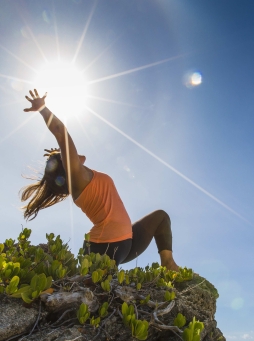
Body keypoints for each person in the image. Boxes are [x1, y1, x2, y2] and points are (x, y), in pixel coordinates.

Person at [21, 89, 179, 271]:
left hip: (127, 240)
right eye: (64, 156)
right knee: (103, 293)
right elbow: (60, 131)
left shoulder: (81, 176)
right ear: (65, 165)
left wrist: (57, 155)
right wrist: (43, 109)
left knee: (160, 217)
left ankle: (168, 264)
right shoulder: (77, 178)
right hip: (104, 247)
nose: (71, 153)